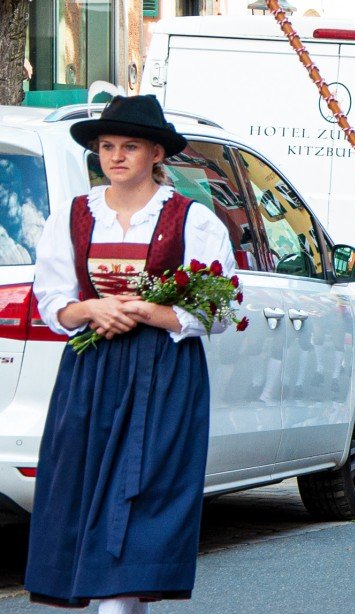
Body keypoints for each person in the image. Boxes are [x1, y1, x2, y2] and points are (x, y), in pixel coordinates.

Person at [27, 94, 235, 612]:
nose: (115, 157)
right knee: (86, 493)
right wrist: (93, 311)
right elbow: (53, 301)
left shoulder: (192, 220)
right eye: (106, 147)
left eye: (130, 146)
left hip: (163, 374)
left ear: (157, 154)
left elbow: (221, 310)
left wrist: (144, 311)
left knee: (141, 500)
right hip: (90, 374)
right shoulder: (75, 215)